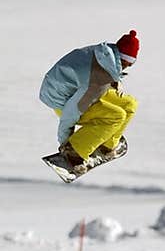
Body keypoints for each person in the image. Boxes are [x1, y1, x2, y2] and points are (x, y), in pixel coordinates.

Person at [39, 31, 139, 170]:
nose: (127, 68)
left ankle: (107, 145)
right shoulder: (98, 79)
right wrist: (65, 141)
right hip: (60, 100)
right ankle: (74, 151)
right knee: (116, 116)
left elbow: (97, 78)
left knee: (130, 104)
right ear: (123, 60)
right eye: (128, 64)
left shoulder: (104, 54)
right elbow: (71, 112)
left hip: (75, 89)